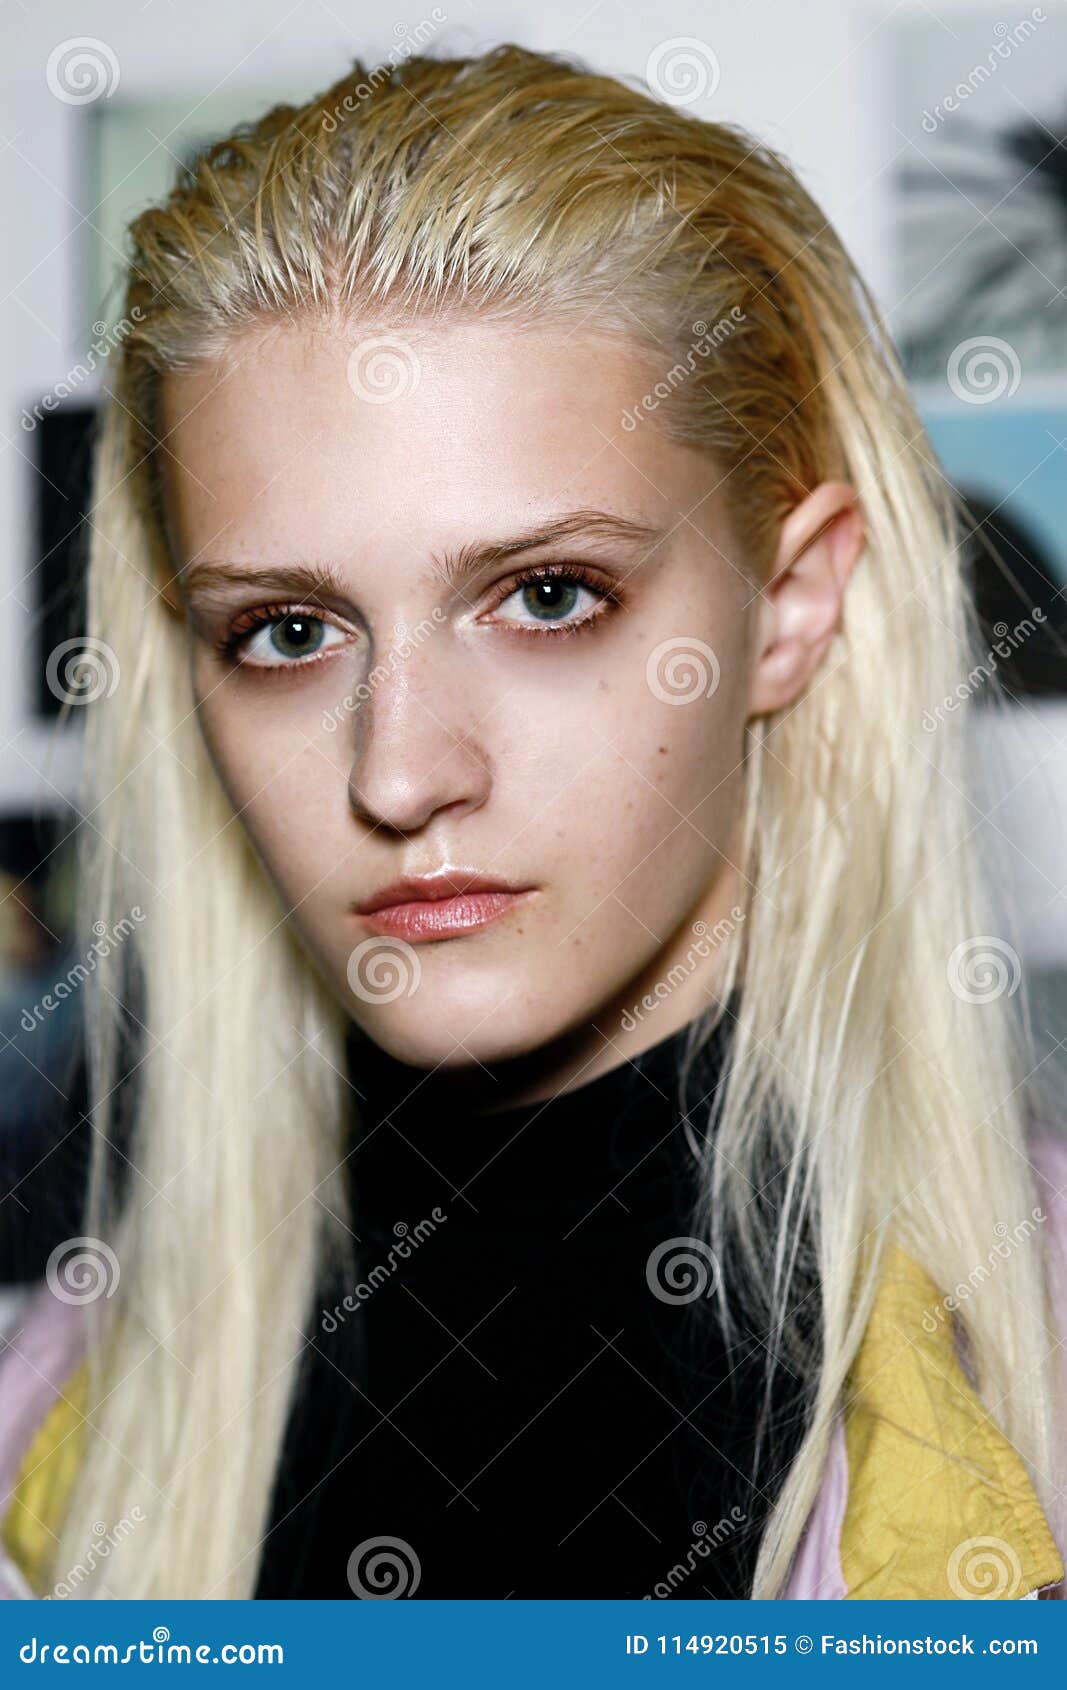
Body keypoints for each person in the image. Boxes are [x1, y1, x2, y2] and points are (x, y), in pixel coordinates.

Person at [0, 42, 1064, 1602]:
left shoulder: (1034, 1372)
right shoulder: (61, 1431)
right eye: (288, 630)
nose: (399, 774)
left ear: (791, 601)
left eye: (547, 595)